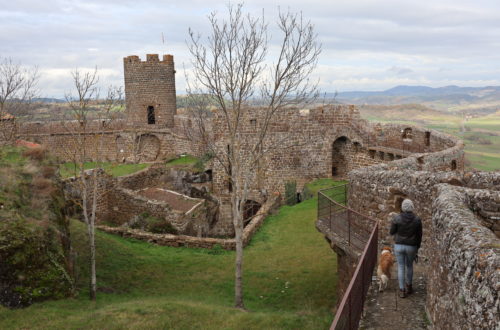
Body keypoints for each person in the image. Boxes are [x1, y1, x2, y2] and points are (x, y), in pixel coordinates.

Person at [390, 199, 422, 298]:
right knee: (409, 266)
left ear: (403, 207)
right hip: (411, 246)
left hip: (399, 245)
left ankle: (402, 290)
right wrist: (417, 247)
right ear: (412, 207)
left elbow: (391, 232)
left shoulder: (397, 218)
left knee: (400, 266)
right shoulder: (417, 220)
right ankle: (409, 287)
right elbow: (419, 236)